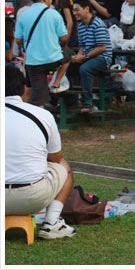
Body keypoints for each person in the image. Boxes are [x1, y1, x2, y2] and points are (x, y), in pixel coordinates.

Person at [5, 65, 76, 239]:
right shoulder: (42, 115)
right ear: (23, 88)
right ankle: (51, 223)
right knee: (64, 166)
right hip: (32, 197)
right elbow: (55, 158)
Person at [15, 0, 68, 108]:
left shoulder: (24, 15)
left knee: (39, 95)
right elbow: (64, 37)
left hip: (33, 62)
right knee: (68, 53)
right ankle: (57, 82)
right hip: (54, 60)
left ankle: (38, 113)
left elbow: (18, 40)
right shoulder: (54, 14)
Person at [71, 0, 113, 113]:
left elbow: (102, 48)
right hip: (89, 56)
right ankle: (70, 101)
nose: (74, 13)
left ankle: (88, 102)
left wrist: (84, 57)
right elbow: (82, 46)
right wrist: (78, 56)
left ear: (86, 9)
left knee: (85, 69)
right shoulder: (80, 25)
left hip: (103, 58)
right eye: (73, 10)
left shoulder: (97, 24)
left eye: (77, 10)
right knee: (68, 66)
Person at [51, 0, 76, 94]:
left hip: (69, 36)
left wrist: (66, 38)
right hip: (65, 35)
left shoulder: (65, 1)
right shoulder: (60, 0)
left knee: (66, 59)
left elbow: (69, 21)